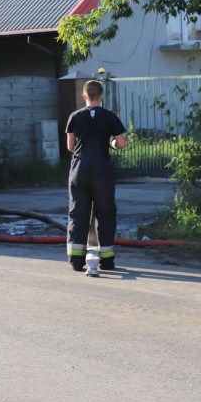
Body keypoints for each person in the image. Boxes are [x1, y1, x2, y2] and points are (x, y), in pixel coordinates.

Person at [65, 80, 127, 272]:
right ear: (101, 96)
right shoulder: (110, 117)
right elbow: (121, 143)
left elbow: (70, 146)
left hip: (79, 169)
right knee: (105, 214)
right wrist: (111, 144)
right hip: (101, 169)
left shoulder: (75, 116)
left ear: (84, 96)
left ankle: (76, 260)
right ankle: (106, 261)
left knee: (78, 214)